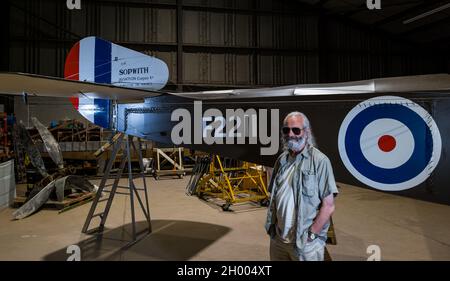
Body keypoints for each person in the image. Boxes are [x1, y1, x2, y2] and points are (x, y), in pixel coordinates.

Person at [265, 111, 338, 261]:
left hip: (305, 245)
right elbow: (274, 197)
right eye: (286, 130)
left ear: (307, 132)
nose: (290, 134)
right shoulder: (281, 160)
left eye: (296, 130)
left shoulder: (320, 161)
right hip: (278, 241)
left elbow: (328, 206)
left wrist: (311, 235)